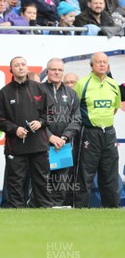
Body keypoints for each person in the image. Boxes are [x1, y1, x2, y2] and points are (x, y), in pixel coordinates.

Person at [0, 56, 53, 208]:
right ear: (11, 70)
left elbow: (51, 112)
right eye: (16, 65)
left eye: (23, 64)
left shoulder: (39, 88)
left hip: (39, 146)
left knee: (42, 181)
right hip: (16, 147)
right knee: (16, 184)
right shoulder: (4, 93)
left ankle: (45, 212)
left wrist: (40, 122)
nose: (20, 67)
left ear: (27, 68)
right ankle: (17, 215)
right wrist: (15, 129)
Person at [73, 52, 121, 208]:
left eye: (105, 62)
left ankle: (112, 210)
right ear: (91, 65)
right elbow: (75, 109)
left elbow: (114, 108)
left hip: (109, 132)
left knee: (110, 175)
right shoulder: (82, 84)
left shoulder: (113, 85)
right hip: (89, 133)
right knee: (85, 175)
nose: (102, 65)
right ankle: (80, 210)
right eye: (98, 62)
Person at [40, 58, 81, 206]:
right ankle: (41, 211)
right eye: (54, 69)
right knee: (42, 182)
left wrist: (64, 138)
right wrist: (50, 137)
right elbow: (34, 118)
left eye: (60, 70)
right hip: (43, 145)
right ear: (47, 72)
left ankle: (57, 211)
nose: (57, 73)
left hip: (63, 146)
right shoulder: (38, 91)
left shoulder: (71, 94)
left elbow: (76, 119)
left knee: (61, 183)